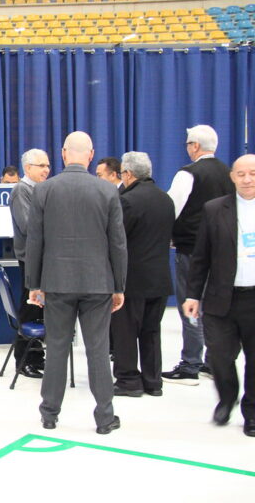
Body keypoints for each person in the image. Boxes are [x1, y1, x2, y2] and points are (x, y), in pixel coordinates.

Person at [25, 131, 127, 435]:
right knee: (98, 350)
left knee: (56, 347)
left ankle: (49, 414)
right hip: (98, 282)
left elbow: (35, 241)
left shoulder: (44, 190)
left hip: (56, 281)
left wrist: (34, 283)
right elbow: (118, 243)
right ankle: (104, 418)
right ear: (91, 155)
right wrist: (119, 286)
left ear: (63, 153)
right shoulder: (107, 191)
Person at [183, 154, 255, 437]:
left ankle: (252, 411)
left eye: (253, 173)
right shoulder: (214, 209)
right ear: (232, 177)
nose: (247, 179)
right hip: (221, 298)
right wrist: (192, 294)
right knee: (220, 357)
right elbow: (201, 256)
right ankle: (227, 397)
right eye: (241, 174)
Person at [164, 125, 234, 385]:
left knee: (190, 303)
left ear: (194, 146)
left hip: (192, 249)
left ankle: (191, 363)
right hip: (223, 251)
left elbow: (171, 208)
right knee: (216, 307)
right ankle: (213, 361)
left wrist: (168, 235)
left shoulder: (188, 174)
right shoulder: (229, 173)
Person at [110, 152, 175, 398]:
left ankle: (128, 380)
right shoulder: (165, 199)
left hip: (133, 279)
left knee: (126, 331)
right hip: (160, 277)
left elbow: (117, 239)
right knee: (151, 331)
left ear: (128, 174)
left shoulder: (128, 201)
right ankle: (153, 381)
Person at [8, 148, 50, 378]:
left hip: (43, 259)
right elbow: (27, 225)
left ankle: (36, 357)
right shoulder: (21, 190)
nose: (46, 170)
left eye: (48, 165)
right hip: (30, 259)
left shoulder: (41, 190)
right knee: (30, 308)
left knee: (39, 310)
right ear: (27, 168)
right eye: (41, 166)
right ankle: (24, 361)